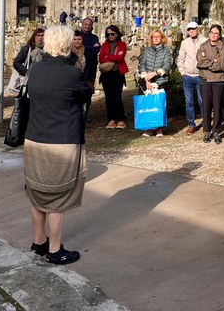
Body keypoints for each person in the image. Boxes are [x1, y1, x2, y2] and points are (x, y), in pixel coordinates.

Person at [24, 26, 93, 265]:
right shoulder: (71, 74)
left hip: (34, 138)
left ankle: (38, 242)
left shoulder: (35, 69)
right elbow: (85, 95)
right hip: (62, 140)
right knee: (57, 197)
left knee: (36, 193)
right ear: (66, 45)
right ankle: (55, 250)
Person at [197, 24, 224, 144]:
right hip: (206, 79)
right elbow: (200, 61)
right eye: (211, 33)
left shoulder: (223, 47)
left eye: (216, 33)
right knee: (206, 106)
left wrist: (209, 63)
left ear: (220, 35)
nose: (213, 35)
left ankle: (216, 131)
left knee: (217, 106)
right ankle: (206, 131)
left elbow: (223, 63)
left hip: (220, 79)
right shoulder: (203, 46)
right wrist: (214, 61)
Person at [137, 29, 172, 137]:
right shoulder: (146, 50)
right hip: (146, 81)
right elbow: (142, 64)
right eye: (153, 37)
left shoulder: (166, 51)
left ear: (162, 38)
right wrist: (147, 79)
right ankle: (149, 128)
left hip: (160, 81)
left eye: (158, 36)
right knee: (147, 105)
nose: (156, 38)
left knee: (159, 105)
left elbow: (166, 65)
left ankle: (158, 129)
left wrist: (155, 73)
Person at [177, 21, 206, 134]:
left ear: (197, 29)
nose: (191, 31)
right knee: (189, 101)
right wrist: (182, 72)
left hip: (200, 75)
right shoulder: (184, 43)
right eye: (189, 29)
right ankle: (191, 124)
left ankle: (206, 122)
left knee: (202, 101)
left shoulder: (204, 41)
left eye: (193, 29)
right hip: (188, 75)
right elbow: (180, 59)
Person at [98, 25, 129, 129]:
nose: (110, 36)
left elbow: (120, 58)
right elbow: (101, 59)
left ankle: (121, 119)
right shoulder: (104, 45)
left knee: (117, 96)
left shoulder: (122, 44)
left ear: (117, 34)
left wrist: (108, 56)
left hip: (118, 73)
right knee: (108, 97)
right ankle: (110, 119)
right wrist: (112, 58)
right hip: (106, 74)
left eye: (112, 33)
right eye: (108, 34)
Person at [79, 18, 101, 121]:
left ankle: (85, 114)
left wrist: (85, 48)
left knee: (88, 91)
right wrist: (91, 48)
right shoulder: (77, 36)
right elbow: (77, 48)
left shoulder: (94, 37)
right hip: (79, 68)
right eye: (85, 24)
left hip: (91, 68)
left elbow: (96, 49)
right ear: (82, 24)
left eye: (89, 25)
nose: (87, 26)